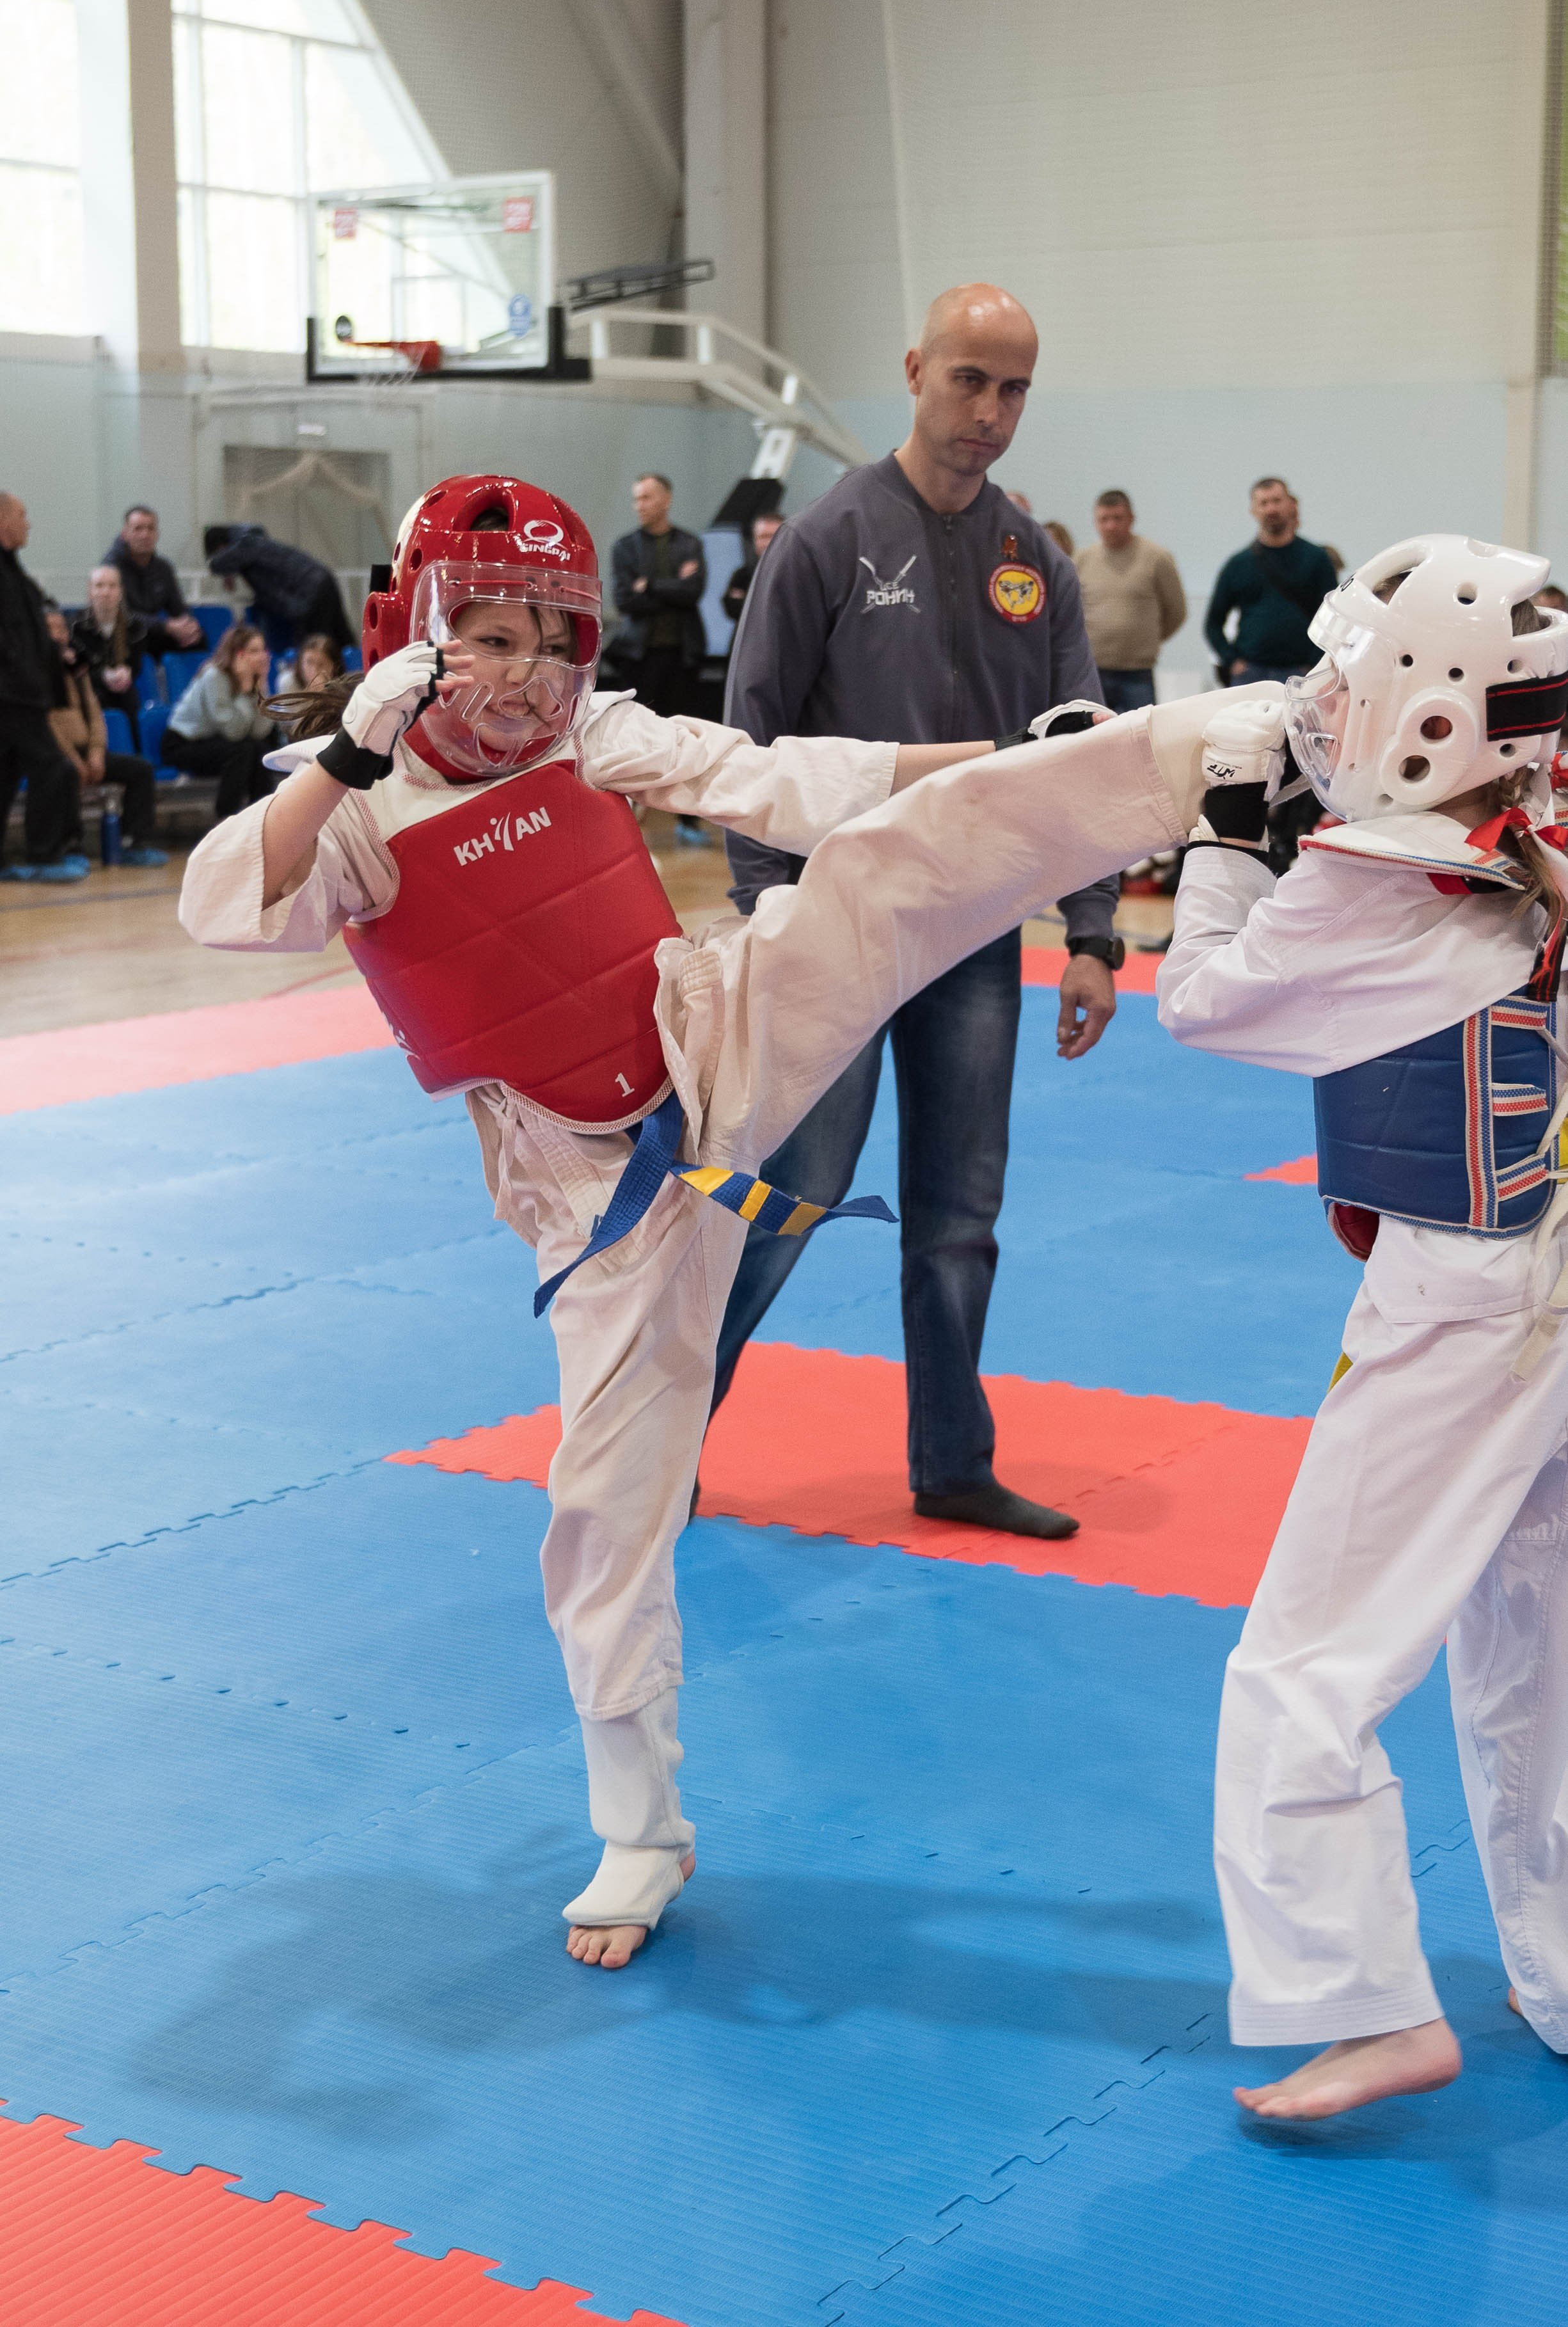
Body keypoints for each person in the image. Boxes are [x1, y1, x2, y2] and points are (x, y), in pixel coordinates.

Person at [178, 469, 1260, 1973]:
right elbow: (224, 903)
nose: (518, 675)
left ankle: (1207, 752)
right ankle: (641, 1830)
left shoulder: (589, 732)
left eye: (544, 640)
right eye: (484, 636)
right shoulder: (358, 802)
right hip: (597, 1198)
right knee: (603, 1515)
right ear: (412, 634)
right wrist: (350, 755)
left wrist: (1007, 751)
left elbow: (784, 777)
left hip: (714, 1041)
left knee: (875, 875)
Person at [1159, 533, 1568, 2122]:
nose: (1326, 700)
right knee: (1531, 1641)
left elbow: (1207, 998)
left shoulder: (1379, 871)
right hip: (1544, 1274)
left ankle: (1361, 2000)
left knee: (1302, 1662)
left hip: (1465, 1293)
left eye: (1351, 675)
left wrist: (1224, 833)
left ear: (1431, 707)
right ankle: (1559, 1968)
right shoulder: (1532, 829)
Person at [716, 282, 1117, 1543]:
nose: (989, 411)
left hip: (974, 932)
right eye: (968, 380)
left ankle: (952, 1461)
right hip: (831, 923)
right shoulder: (827, 538)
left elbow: (1081, 754)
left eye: (1013, 389)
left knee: (960, 1216)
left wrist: (1094, 932)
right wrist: (764, 909)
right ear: (914, 371)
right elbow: (747, 737)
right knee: (789, 1193)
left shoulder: (1033, 560)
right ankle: (650, 1433)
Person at [608, 474, 709, 846]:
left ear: (666, 500)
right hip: (640, 657)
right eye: (637, 498)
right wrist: (671, 589)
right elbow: (625, 600)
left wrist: (648, 585)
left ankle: (690, 821)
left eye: (647, 498)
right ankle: (627, 818)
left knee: (687, 738)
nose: (640, 505)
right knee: (635, 739)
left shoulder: (689, 543)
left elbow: (693, 592)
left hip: (683, 656)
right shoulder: (625, 547)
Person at [0, 493, 88, 884]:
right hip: (12, 695)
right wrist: (27, 676)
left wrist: (59, 659)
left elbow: (33, 634)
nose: (28, 523)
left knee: (6, 775)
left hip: (21, 694)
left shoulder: (15, 574)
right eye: (22, 515)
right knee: (51, 766)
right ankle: (42, 854)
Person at [45, 606, 166, 868]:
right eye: (50, 630)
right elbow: (48, 723)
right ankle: (71, 845)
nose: (59, 635)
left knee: (141, 770)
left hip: (88, 751)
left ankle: (133, 842)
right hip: (56, 753)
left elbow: (95, 713)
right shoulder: (35, 673)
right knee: (65, 772)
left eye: (62, 629)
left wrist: (97, 752)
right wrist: (75, 760)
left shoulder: (77, 666)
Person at [1203, 477, 1338, 690]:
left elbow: (1333, 616)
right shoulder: (1238, 564)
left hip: (1302, 673)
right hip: (1250, 673)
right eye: (1264, 503)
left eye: (1277, 501)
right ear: (1253, 510)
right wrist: (1232, 661)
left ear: (1290, 504)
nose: (1271, 509)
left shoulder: (1317, 559)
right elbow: (1213, 623)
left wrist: (1315, 663)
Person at [1073, 489, 1189, 714]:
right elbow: (1071, 612)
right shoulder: (1082, 560)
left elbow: (1176, 611)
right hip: (1093, 671)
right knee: (1092, 734)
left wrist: (1147, 639)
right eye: (1104, 519)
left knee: (1140, 733)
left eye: (1118, 518)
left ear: (1132, 519)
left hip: (1138, 673)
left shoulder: (1157, 558)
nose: (1111, 526)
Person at [161, 624, 278, 817]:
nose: (262, 656)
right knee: (243, 751)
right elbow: (234, 732)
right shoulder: (214, 676)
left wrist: (262, 689)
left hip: (218, 743)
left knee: (260, 749)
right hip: (183, 744)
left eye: (263, 650)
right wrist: (245, 690)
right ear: (238, 655)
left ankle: (261, 816)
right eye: (254, 651)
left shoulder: (255, 679)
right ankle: (226, 818)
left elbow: (260, 733)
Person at [203, 524, 355, 652]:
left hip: (309, 590)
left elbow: (216, 564)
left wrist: (222, 567)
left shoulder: (247, 543)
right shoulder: (255, 543)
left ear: (221, 548)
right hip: (322, 580)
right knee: (342, 638)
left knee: (316, 647)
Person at [68, 562, 167, 748]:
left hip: (123, 688)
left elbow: (136, 665)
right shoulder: (75, 627)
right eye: (99, 586)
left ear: (120, 591)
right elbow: (77, 668)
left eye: (112, 586)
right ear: (90, 591)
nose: (106, 592)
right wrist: (103, 676)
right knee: (98, 697)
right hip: (89, 688)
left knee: (129, 696)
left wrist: (127, 672)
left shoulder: (135, 627)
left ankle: (137, 751)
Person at [101, 506, 205, 649]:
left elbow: (178, 608)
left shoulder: (163, 568)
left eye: (151, 529)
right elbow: (119, 615)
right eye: (138, 529)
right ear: (125, 534)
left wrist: (189, 626)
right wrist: (166, 626)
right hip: (123, 633)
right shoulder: (110, 568)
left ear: (157, 534)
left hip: (154, 631)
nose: (145, 535)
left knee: (198, 639)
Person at [722, 513, 783, 626]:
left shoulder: (797, 573)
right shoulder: (742, 575)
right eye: (763, 537)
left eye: (772, 536)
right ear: (754, 540)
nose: (767, 542)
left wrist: (747, 600)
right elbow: (731, 608)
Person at [276, 633, 344, 696]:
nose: (314, 670)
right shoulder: (288, 682)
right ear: (300, 661)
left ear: (334, 667)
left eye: (321, 665)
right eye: (309, 662)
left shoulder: (343, 687)